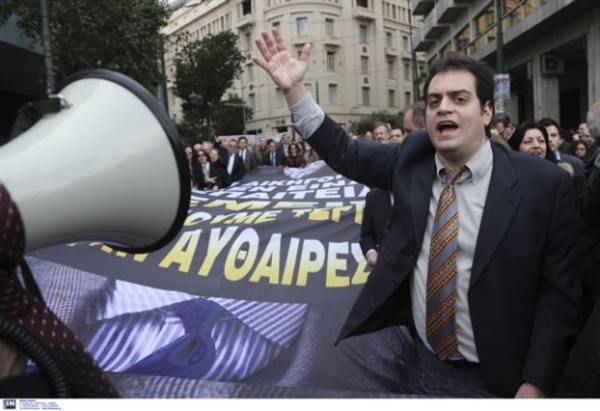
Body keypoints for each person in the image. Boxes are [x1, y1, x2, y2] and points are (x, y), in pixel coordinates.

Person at [252, 29, 582, 398]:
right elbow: (344, 151)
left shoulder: (543, 185)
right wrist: (294, 91)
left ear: (486, 111)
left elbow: (560, 295)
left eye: (459, 98)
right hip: (421, 364)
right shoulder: (411, 159)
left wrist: (536, 383)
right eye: (434, 101)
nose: (444, 107)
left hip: (504, 380)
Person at [359, 188, 393, 267]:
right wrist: (371, 251)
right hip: (387, 267)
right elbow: (367, 236)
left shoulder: (419, 193)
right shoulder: (374, 197)